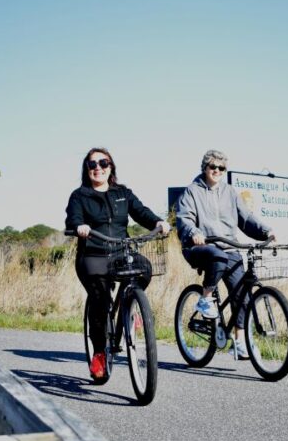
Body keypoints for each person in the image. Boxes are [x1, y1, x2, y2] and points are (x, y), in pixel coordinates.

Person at [65, 147, 170, 380]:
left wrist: (158, 222)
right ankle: (100, 353)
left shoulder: (122, 192)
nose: (98, 168)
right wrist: (79, 227)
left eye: (103, 163)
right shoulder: (79, 196)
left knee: (144, 268)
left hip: (119, 252)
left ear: (111, 167)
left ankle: (128, 304)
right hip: (92, 255)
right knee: (100, 301)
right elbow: (73, 218)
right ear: (87, 169)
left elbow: (141, 212)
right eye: (92, 165)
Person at [176, 149, 275, 360]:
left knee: (242, 294)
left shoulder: (230, 192)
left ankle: (240, 342)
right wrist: (194, 233)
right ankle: (205, 299)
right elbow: (184, 218)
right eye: (213, 167)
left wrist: (266, 230)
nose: (217, 171)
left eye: (222, 168)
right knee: (217, 256)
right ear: (205, 168)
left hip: (228, 247)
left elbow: (246, 218)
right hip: (199, 247)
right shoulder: (192, 191)